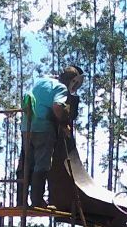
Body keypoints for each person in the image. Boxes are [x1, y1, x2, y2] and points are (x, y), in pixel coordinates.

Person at [18, 65, 85, 207]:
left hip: (27, 128)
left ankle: (20, 201)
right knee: (42, 163)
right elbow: (57, 107)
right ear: (73, 81)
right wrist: (63, 122)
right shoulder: (61, 88)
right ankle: (37, 201)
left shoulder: (41, 81)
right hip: (44, 129)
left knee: (26, 164)